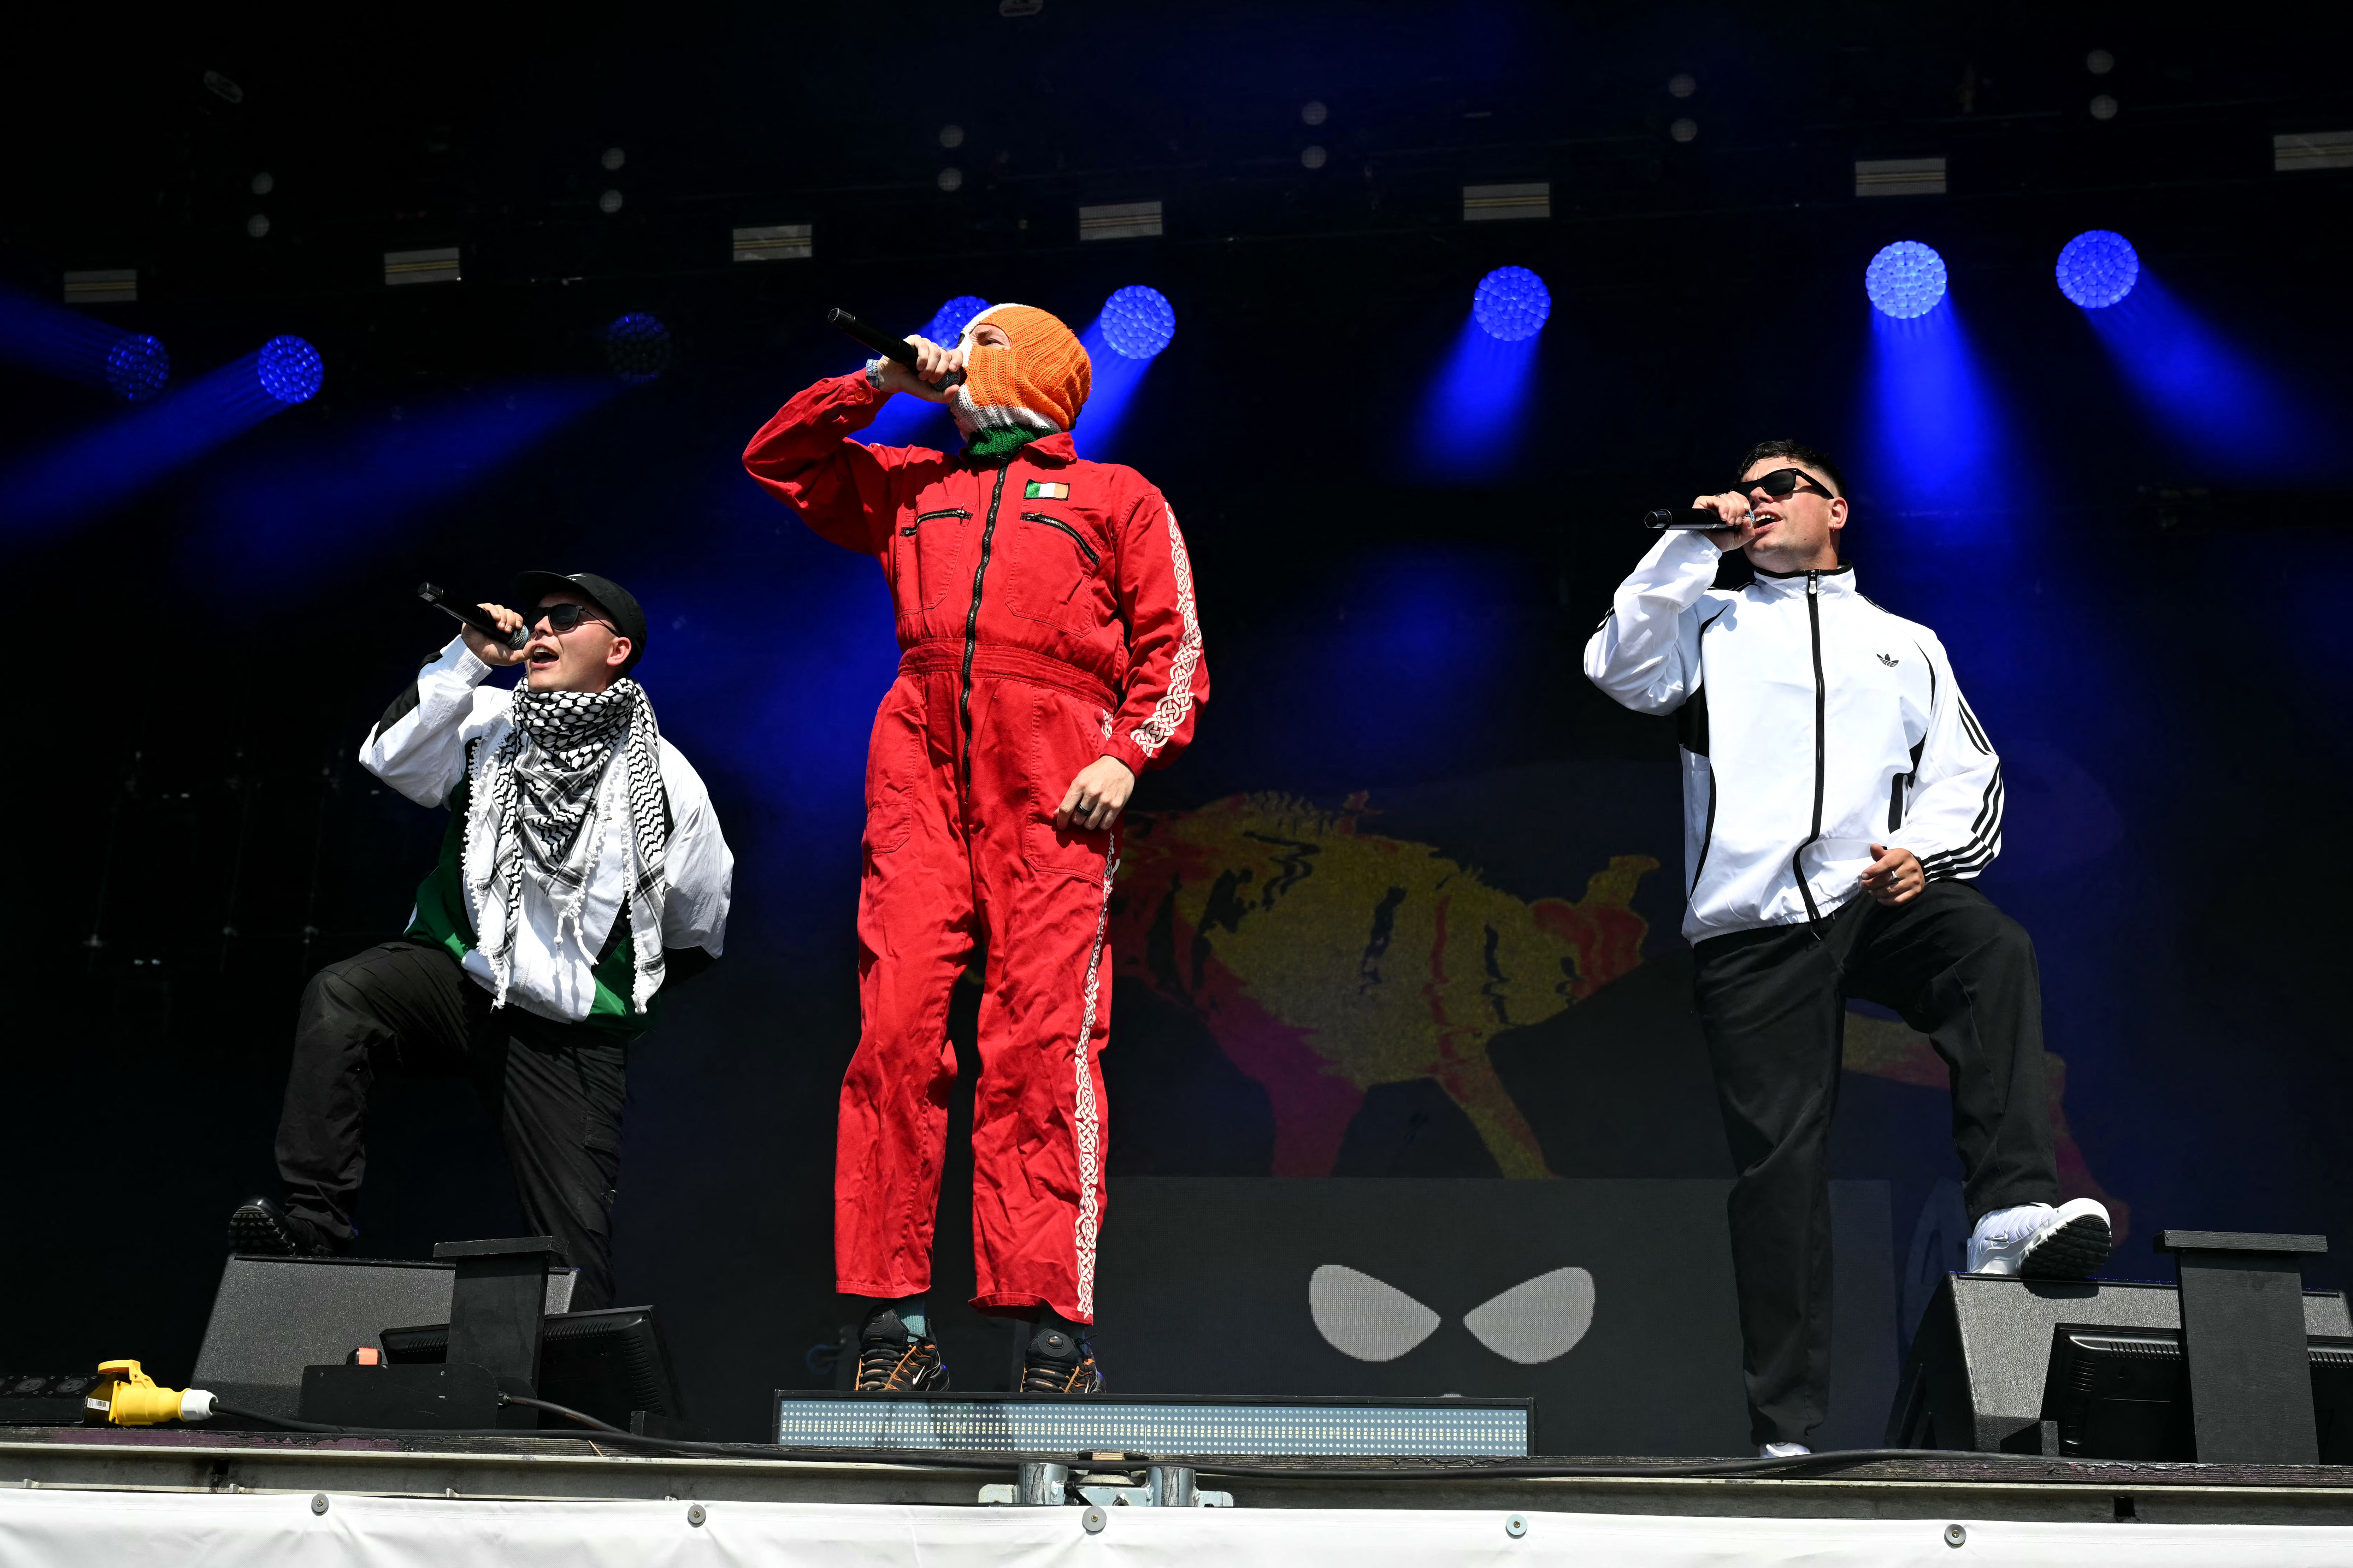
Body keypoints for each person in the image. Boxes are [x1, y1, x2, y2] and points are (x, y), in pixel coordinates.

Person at [1583, 442, 2110, 1457]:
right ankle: (1784, 1429)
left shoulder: (1904, 643)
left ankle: (2009, 1212)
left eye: (1780, 487)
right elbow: (1617, 668)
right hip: (1753, 925)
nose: (1758, 501)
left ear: (1836, 510)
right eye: (1747, 490)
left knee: (1988, 947)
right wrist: (1693, 545)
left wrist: (1922, 853)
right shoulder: (1708, 621)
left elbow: (1969, 775)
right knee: (1780, 1171)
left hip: (1870, 894)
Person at [742, 304, 1208, 1394]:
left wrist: (1129, 755)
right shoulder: (913, 484)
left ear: (1037, 373)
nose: (959, 355)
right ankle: (891, 1323)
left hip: (1055, 777)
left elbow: (1175, 648)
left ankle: (1053, 1333)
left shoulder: (1116, 495)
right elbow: (777, 459)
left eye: (985, 342)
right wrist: (876, 382)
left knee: (1040, 1043)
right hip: (918, 769)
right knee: (892, 1038)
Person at [228, 573, 733, 1311]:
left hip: (565, 1032)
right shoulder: (488, 716)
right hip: (459, 977)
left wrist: (600, 997)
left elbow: (697, 928)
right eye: (539, 616)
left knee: (575, 1251)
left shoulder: (668, 779)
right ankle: (314, 1227)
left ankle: (584, 1378)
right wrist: (466, 656)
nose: (543, 628)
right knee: (343, 996)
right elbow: (389, 757)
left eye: (568, 617)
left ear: (618, 650)